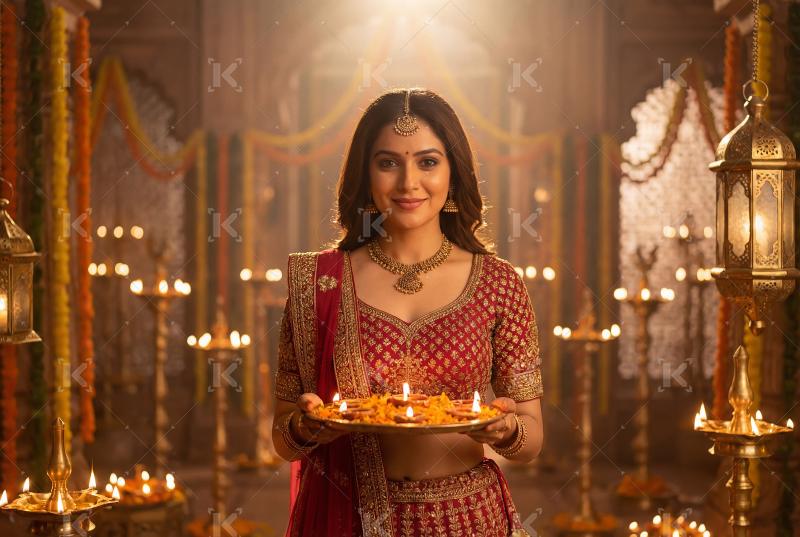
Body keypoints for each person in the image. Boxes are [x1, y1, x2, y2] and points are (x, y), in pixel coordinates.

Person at [272, 88, 544, 537]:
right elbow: (282, 437)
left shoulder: (499, 282)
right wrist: (307, 427)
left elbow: (533, 437)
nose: (408, 183)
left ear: (453, 173)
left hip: (469, 521)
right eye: (388, 163)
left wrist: (504, 431)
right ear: (366, 174)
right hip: (351, 518)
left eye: (428, 161)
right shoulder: (318, 284)